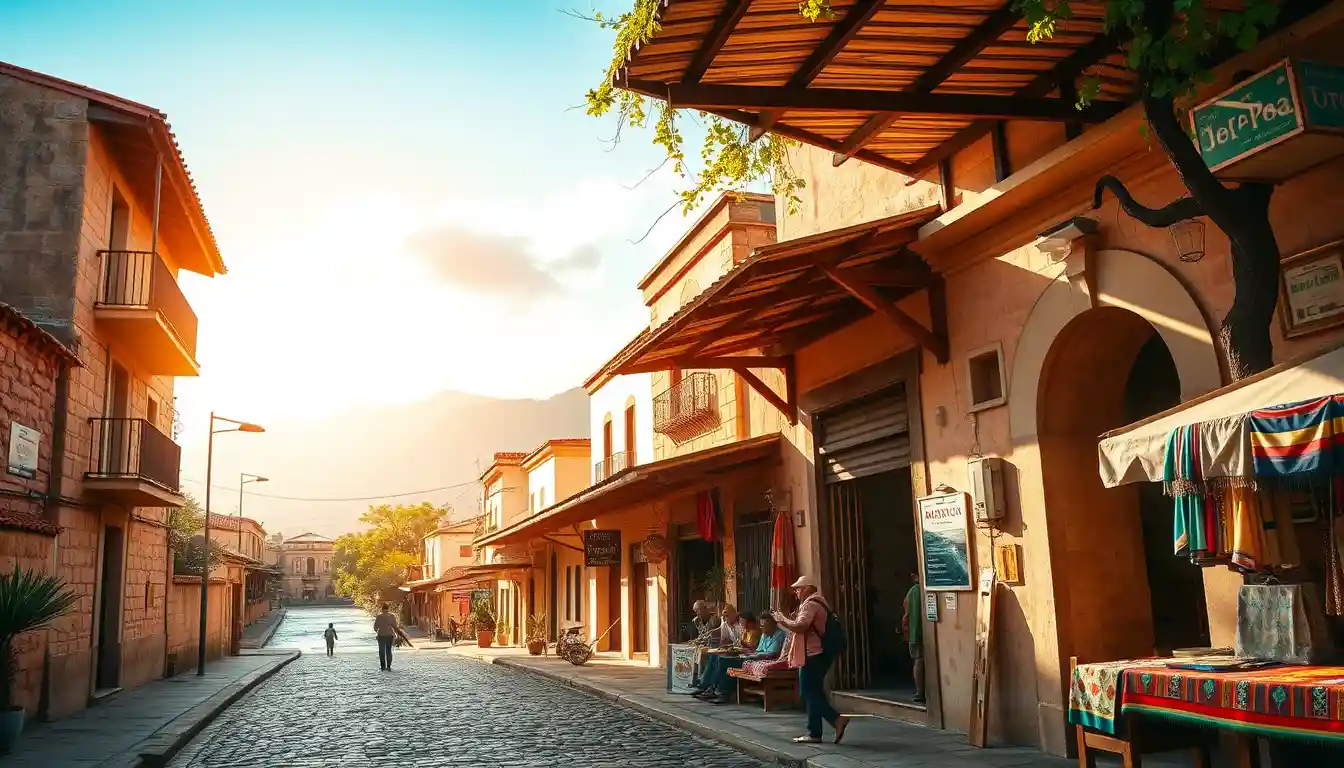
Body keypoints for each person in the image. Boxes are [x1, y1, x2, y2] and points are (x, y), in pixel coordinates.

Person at [774, 575, 850, 745]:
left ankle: (836, 719)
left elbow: (801, 626)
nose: (796, 592)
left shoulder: (810, 604)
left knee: (808, 692)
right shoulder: (818, 602)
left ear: (808, 588)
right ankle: (814, 733)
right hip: (817, 654)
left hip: (812, 655)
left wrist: (783, 620)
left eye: (798, 588)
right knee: (815, 692)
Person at [695, 612, 787, 703]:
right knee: (715, 657)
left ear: (773, 624)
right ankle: (707, 686)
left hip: (761, 659)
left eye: (765, 626)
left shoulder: (779, 634)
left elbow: (771, 654)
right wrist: (748, 652)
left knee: (723, 661)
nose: (762, 628)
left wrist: (751, 655)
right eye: (761, 625)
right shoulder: (764, 634)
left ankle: (721, 693)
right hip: (752, 657)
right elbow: (758, 650)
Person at [902, 570, 925, 704]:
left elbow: (906, 613)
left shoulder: (912, 592)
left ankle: (920, 691)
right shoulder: (918, 591)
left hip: (913, 633)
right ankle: (920, 692)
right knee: (919, 661)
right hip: (918, 633)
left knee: (918, 661)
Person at [373, 602, 400, 670]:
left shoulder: (379, 616)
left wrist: (378, 631)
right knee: (388, 651)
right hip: (390, 635)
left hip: (381, 635)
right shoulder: (392, 616)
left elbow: (375, 627)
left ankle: (383, 666)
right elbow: (395, 626)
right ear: (388, 609)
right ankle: (388, 666)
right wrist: (397, 634)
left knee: (381, 651)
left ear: (382, 609)